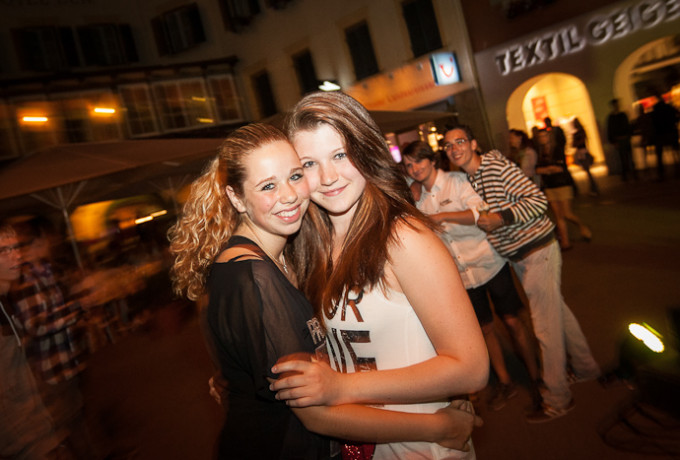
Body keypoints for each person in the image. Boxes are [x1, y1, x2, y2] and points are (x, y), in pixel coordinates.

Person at [169, 123, 482, 460]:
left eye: (295, 175)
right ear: (236, 197)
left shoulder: (296, 251)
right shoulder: (257, 274)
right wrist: (439, 426)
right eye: (269, 185)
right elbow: (312, 409)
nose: (290, 195)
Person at [271, 92, 489, 459]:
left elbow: (471, 369)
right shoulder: (315, 246)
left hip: (423, 449)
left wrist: (342, 387)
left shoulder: (403, 238)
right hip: (367, 444)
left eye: (340, 155)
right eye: (309, 163)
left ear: (366, 151)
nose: (328, 177)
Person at [442, 124, 601, 423]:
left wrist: (501, 218)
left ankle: (558, 399)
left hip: (537, 250)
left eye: (460, 141)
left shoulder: (495, 166)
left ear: (474, 143)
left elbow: (537, 200)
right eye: (448, 145)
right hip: (517, 256)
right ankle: (585, 367)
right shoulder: (467, 179)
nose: (454, 149)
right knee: (557, 312)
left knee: (545, 326)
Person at [401, 140, 541, 412]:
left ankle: (536, 377)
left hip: (489, 263)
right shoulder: (417, 197)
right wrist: (413, 184)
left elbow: (480, 212)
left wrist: (444, 216)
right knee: (485, 328)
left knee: (513, 321)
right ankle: (505, 382)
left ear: (432, 160)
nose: (415, 168)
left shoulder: (457, 181)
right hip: (462, 277)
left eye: (418, 161)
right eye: (409, 165)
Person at [9, 217, 98, 459]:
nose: (53, 242)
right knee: (69, 426)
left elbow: (53, 311)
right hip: (52, 368)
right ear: (38, 241)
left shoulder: (45, 272)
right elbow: (37, 325)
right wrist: (76, 307)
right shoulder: (26, 279)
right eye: (48, 238)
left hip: (67, 360)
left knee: (79, 418)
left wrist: (77, 307)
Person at [0, 223, 62, 460]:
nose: (16, 255)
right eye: (4, 250)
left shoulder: (6, 301)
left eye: (15, 248)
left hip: (34, 425)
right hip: (21, 438)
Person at [534, 129, 592, 250]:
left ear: (549, 137)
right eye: (541, 137)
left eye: (545, 136)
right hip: (549, 186)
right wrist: (549, 169)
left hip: (562, 184)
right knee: (558, 216)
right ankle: (565, 242)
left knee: (567, 213)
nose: (543, 139)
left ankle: (582, 226)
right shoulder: (540, 153)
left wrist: (547, 169)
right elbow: (537, 170)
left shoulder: (557, 150)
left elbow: (560, 168)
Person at [606, 98, 637, 181]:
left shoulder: (621, 115)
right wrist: (614, 141)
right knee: (623, 158)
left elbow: (626, 126)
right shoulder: (613, 117)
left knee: (628, 157)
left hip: (624, 138)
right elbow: (611, 130)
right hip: (620, 139)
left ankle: (631, 174)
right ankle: (626, 174)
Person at [650, 93, 680, 181]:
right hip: (671, 132)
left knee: (659, 155)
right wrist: (674, 122)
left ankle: (661, 174)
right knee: (676, 152)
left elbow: (653, 123)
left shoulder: (655, 109)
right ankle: (678, 170)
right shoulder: (669, 107)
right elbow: (678, 115)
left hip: (660, 134)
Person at [571, 118, 599, 197]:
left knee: (588, 172)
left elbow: (575, 143)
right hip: (582, 153)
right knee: (588, 172)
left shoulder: (579, 133)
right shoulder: (580, 132)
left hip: (582, 153)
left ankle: (594, 188)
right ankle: (593, 188)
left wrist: (575, 141)